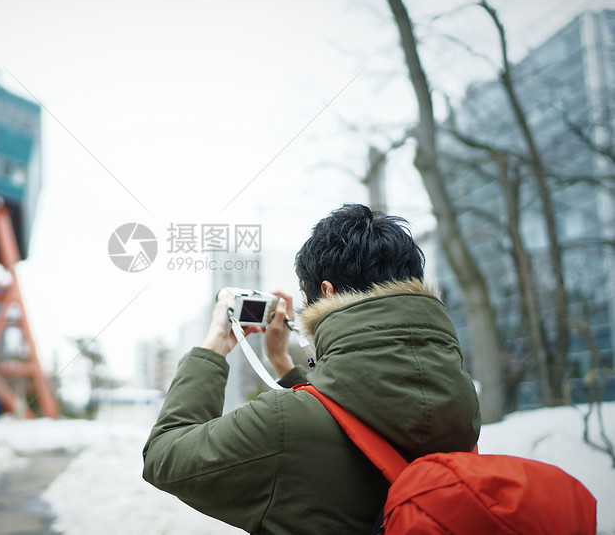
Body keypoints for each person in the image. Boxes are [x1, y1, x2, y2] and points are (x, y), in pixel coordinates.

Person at [142, 204, 481, 534]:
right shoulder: (461, 402)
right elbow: (357, 411)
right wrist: (283, 364)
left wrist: (215, 343)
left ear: (326, 291)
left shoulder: (280, 424)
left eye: (305, 302)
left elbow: (164, 456)